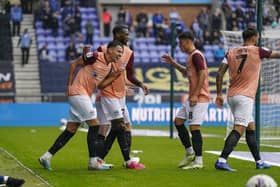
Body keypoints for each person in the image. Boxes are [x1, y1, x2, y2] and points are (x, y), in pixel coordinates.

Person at [39, 40, 124, 171]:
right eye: (119, 51)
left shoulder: (109, 67)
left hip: (84, 95)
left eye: (122, 52)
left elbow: (100, 86)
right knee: (95, 125)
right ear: (110, 49)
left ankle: (46, 156)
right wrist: (68, 85)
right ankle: (93, 162)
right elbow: (74, 64)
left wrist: (113, 76)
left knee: (71, 130)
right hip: (78, 92)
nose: (120, 54)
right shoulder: (95, 56)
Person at [214, 27, 280, 171]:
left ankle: (259, 161)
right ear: (255, 37)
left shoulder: (230, 52)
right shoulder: (257, 50)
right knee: (239, 128)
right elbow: (276, 55)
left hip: (232, 95)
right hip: (245, 97)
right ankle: (221, 159)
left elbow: (219, 74)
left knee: (250, 128)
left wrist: (219, 94)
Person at [84, 24, 149, 169]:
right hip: (107, 94)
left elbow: (129, 74)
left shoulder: (129, 52)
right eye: (124, 33)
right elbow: (93, 66)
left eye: (128, 33)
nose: (127, 36)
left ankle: (99, 158)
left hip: (120, 96)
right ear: (116, 34)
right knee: (112, 126)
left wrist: (140, 84)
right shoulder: (103, 49)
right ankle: (127, 161)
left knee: (124, 126)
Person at [162, 31, 210, 170]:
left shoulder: (196, 55)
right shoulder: (191, 57)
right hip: (192, 97)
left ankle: (199, 161)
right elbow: (186, 72)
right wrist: (173, 63)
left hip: (199, 97)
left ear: (188, 41)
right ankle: (190, 153)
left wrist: (195, 94)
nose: (179, 45)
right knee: (178, 121)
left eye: (181, 42)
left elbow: (203, 74)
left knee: (194, 127)